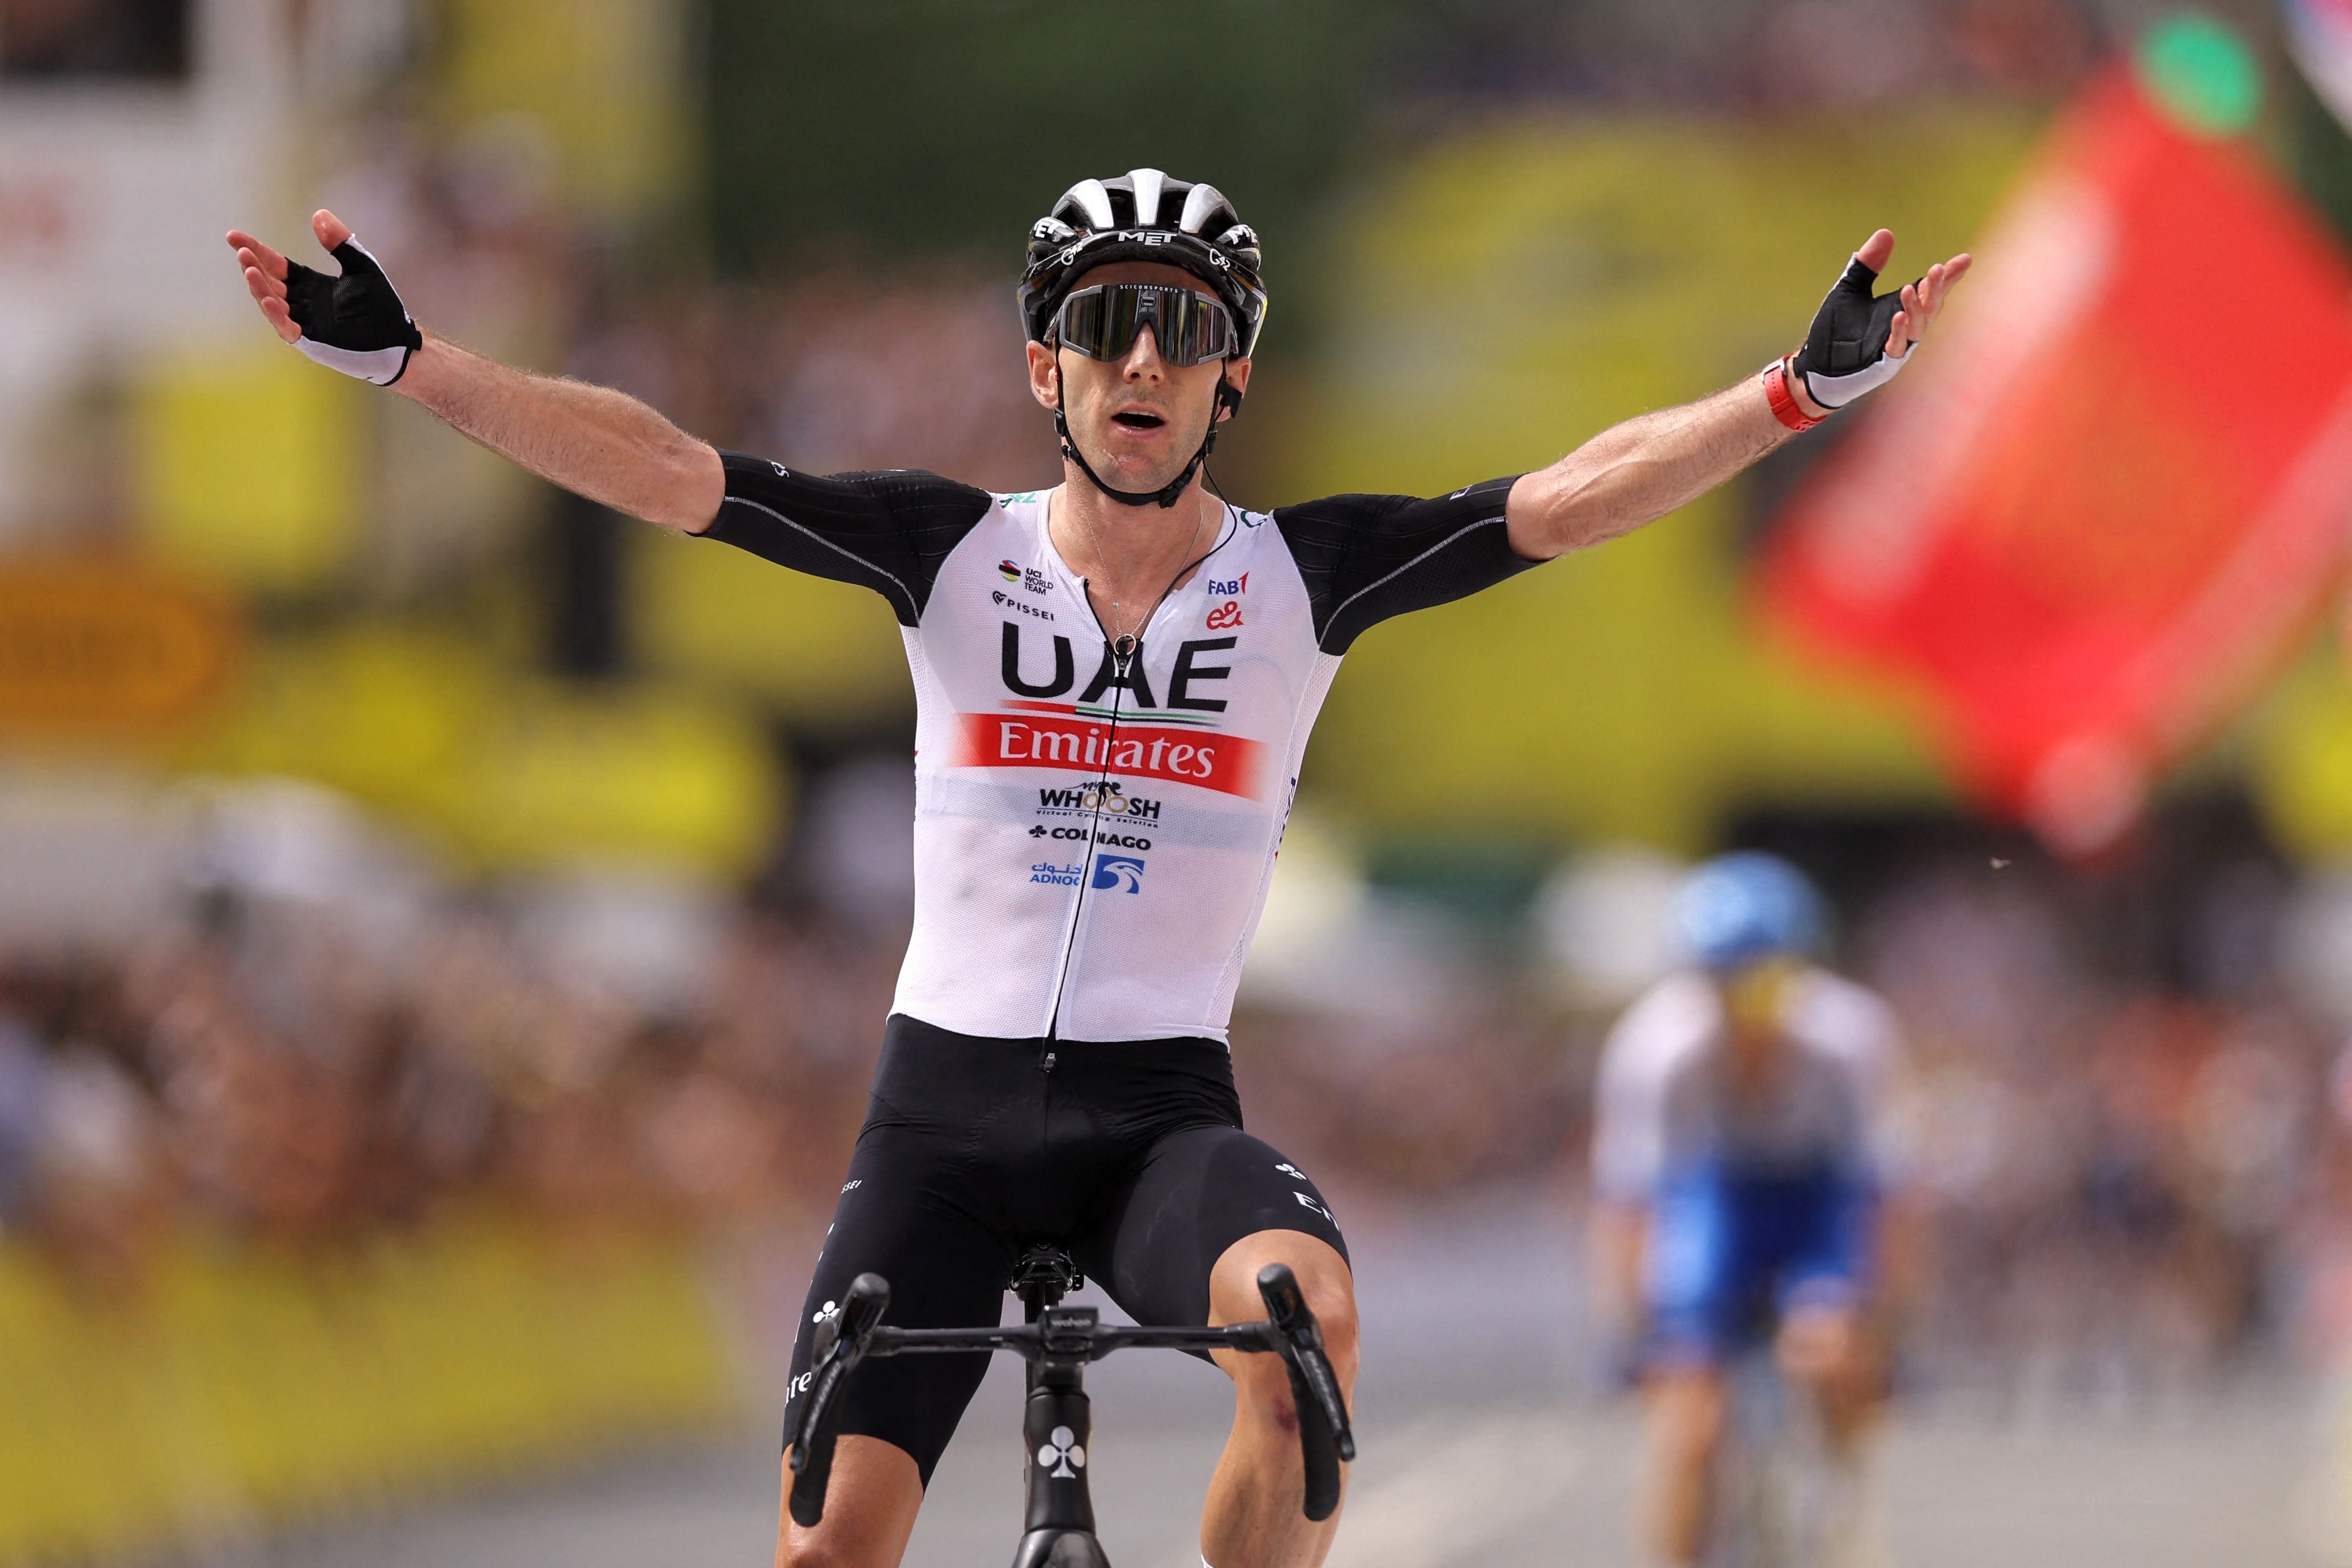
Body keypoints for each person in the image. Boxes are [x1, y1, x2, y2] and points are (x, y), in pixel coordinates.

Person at [226, 172, 1967, 1568]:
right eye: (1102, 330)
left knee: (1304, 1332)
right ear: (1043, 369)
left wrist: (1792, 394)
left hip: (1157, 1124)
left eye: (1183, 335)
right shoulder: (945, 549)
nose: (1142, 364)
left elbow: (1575, 496)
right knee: (831, 1543)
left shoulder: (1310, 574)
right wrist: (413, 365)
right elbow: (666, 470)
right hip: (941, 1125)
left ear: (1232, 375)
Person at [1589, 853, 1918, 1568]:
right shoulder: (1655, 1050)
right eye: (1723, 985)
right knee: (1688, 1426)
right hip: (1714, 1199)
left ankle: (1846, 1505)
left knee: (1830, 1351)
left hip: (1816, 1196)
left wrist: (1888, 1327)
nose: (1745, 1009)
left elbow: (1885, 1201)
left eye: (1764, 984)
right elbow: (1629, 1207)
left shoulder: (1852, 1039)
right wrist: (1633, 1332)